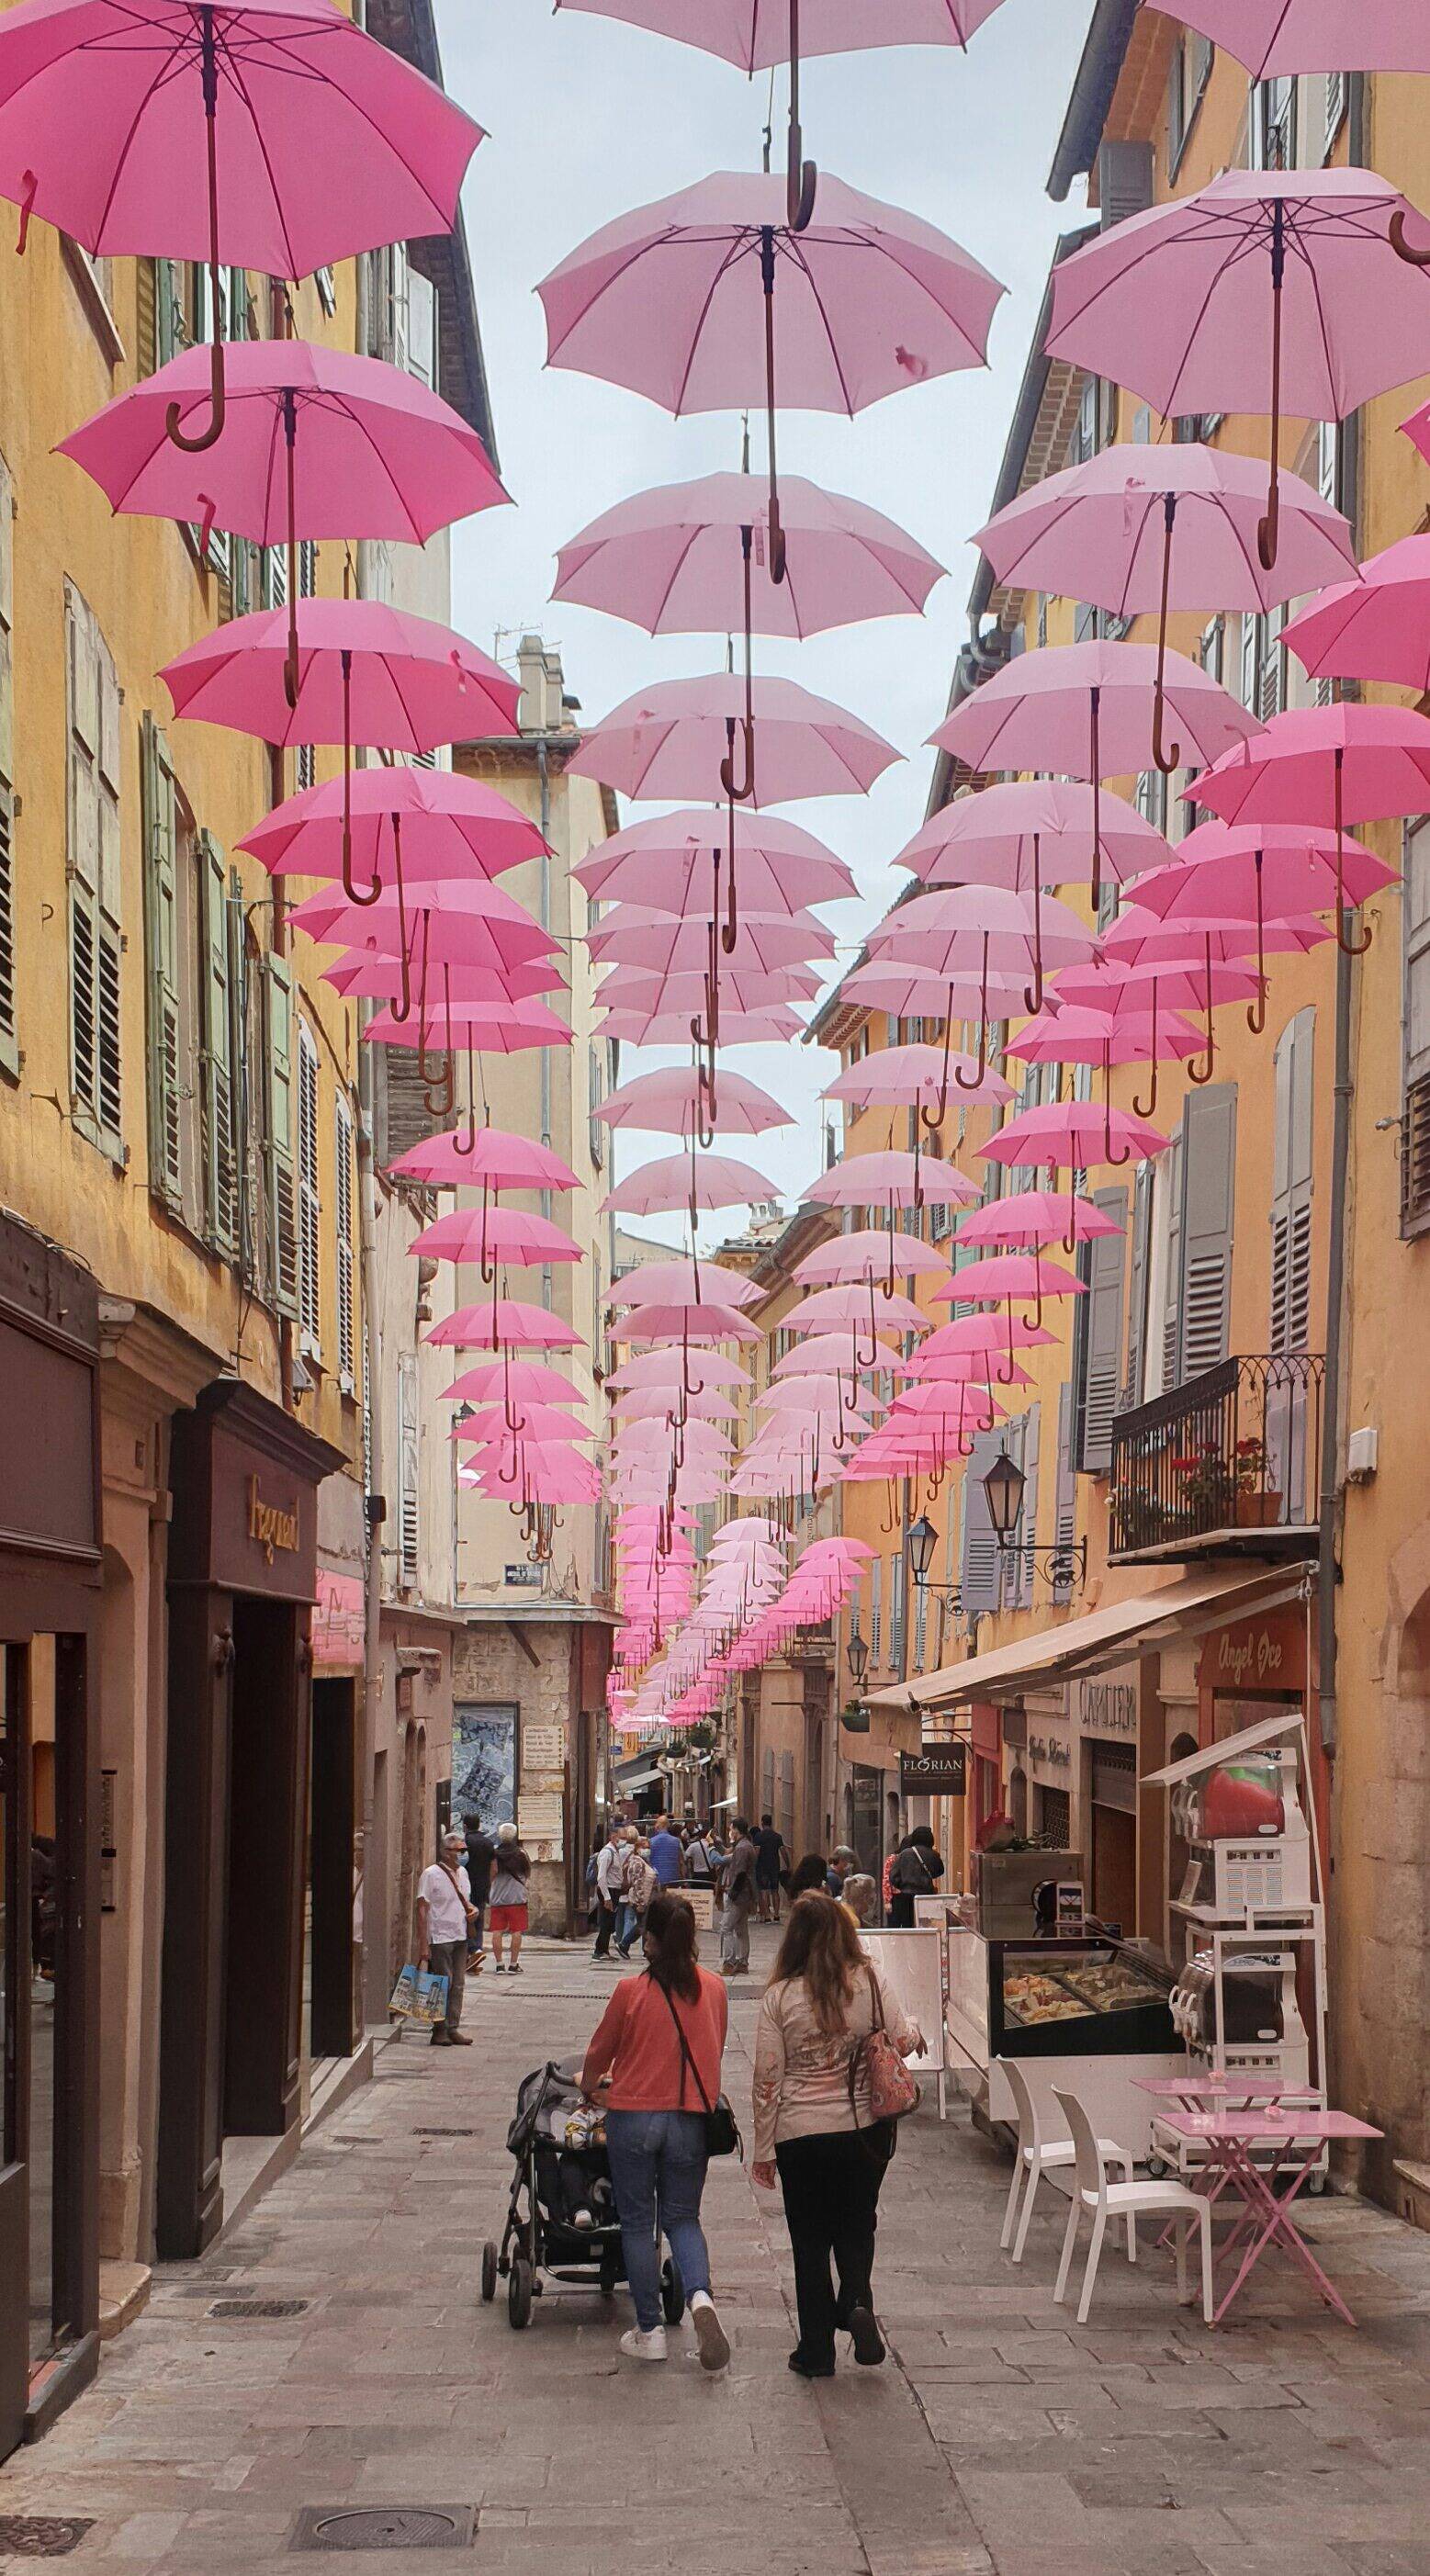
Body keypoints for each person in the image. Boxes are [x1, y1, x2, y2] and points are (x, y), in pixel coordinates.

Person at [751, 1894, 924, 2379]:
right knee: (856, 2222)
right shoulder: (869, 1981)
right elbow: (904, 2040)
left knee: (808, 2241)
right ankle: (854, 2301)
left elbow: (768, 2079)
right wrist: (912, 2027)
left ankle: (816, 2352)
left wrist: (763, 2150)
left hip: (800, 2135)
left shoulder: (780, 1997)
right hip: (863, 2132)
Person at [580, 1891, 732, 2372]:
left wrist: (590, 2088)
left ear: (649, 1940)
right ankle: (702, 2299)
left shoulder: (630, 1991)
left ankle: (649, 2330)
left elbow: (599, 2053)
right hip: (690, 2118)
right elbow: (716, 2047)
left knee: (638, 2223)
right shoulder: (715, 1989)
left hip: (634, 2118)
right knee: (684, 2219)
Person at [415, 1826, 477, 2046]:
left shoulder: (463, 1873)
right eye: (456, 1850)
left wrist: (473, 1910)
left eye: (463, 1850)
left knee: (458, 1983)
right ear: (445, 1851)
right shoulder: (431, 1874)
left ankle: (453, 2027)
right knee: (442, 1983)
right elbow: (422, 1908)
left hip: (460, 1934)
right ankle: (438, 2028)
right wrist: (424, 1943)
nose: (461, 1854)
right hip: (440, 1936)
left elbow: (465, 1900)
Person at [488, 1822, 531, 1973]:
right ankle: (513, 1964)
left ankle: (499, 1964)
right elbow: (527, 1874)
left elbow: (492, 1873)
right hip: (517, 1898)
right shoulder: (521, 1854)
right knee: (516, 1931)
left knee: (497, 1931)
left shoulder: (494, 1854)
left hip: (498, 1898)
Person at [719, 1817, 758, 1978]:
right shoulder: (747, 1846)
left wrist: (733, 1893)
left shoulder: (742, 1848)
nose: (730, 1831)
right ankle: (743, 1962)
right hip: (746, 1893)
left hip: (738, 1893)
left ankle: (729, 1962)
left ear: (736, 1830)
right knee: (741, 1929)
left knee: (726, 1927)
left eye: (731, 1828)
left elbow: (740, 1873)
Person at [887, 1825, 945, 1929]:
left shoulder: (904, 1854)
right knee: (926, 1926)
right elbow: (940, 1871)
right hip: (926, 1896)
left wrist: (903, 1885)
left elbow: (893, 1876)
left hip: (905, 1898)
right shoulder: (933, 1855)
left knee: (908, 1928)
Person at [591, 1822, 629, 1964]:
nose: (624, 1840)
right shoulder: (607, 1853)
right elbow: (601, 1876)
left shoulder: (614, 1852)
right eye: (622, 1837)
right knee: (606, 1922)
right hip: (608, 1890)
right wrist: (607, 1897)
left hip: (614, 1890)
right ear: (614, 1837)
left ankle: (604, 1950)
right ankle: (599, 1951)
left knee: (610, 1922)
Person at [617, 1831, 658, 1959]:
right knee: (643, 1925)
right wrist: (641, 1902)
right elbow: (637, 1883)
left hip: (645, 1898)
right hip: (640, 1899)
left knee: (644, 1925)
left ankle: (645, 1949)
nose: (647, 1850)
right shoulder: (637, 1862)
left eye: (648, 1848)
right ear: (638, 1848)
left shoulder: (644, 1861)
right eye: (645, 1847)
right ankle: (624, 1943)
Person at [462, 1812, 496, 1963]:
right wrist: (490, 1883)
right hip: (482, 1885)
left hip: (466, 1885)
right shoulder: (488, 1843)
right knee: (479, 1917)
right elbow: (494, 1868)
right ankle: (478, 1947)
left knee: (466, 1917)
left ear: (465, 1826)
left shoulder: (465, 1842)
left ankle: (470, 1948)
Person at [754, 1812, 791, 1923]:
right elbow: (783, 1851)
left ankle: (766, 1916)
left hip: (762, 1867)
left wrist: (753, 1864)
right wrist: (788, 1864)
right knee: (775, 1891)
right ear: (771, 1823)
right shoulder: (777, 1837)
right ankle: (776, 1914)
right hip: (775, 1866)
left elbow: (757, 1852)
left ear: (762, 1823)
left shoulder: (758, 1836)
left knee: (764, 1891)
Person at [647, 1814, 684, 1888]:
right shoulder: (676, 1841)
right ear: (668, 1825)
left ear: (657, 1826)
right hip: (673, 1879)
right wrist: (683, 1878)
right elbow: (681, 1862)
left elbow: (648, 1862)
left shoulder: (651, 1841)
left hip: (657, 1880)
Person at [683, 1821, 718, 1889]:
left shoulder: (694, 1846)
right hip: (710, 1875)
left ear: (700, 1836)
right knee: (709, 1896)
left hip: (697, 1874)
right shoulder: (713, 1846)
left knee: (698, 1895)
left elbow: (685, 1858)